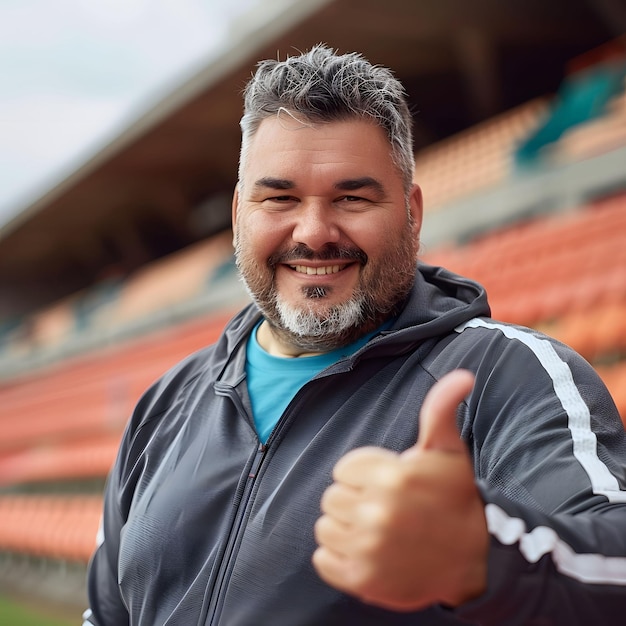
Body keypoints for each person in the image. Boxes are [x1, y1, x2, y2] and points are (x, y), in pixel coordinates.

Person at [83, 45, 626, 626]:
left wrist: (483, 556)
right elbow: (106, 613)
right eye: (280, 198)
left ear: (412, 214)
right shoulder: (165, 402)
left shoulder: (503, 373)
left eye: (352, 197)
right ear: (241, 215)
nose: (315, 233)